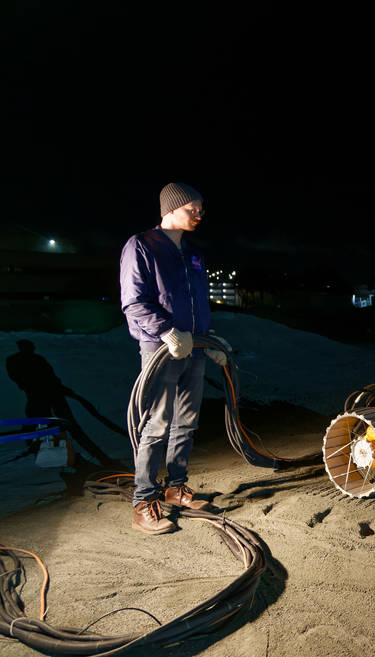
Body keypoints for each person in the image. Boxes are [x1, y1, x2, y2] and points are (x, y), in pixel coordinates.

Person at [119, 182, 226, 534]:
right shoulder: (142, 246)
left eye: (201, 209)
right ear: (170, 209)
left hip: (192, 347)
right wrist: (166, 331)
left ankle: (176, 487)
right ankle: (143, 501)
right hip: (161, 348)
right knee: (156, 423)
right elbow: (134, 302)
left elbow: (199, 303)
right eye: (192, 208)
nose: (199, 214)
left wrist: (207, 340)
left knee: (187, 421)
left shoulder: (193, 253)